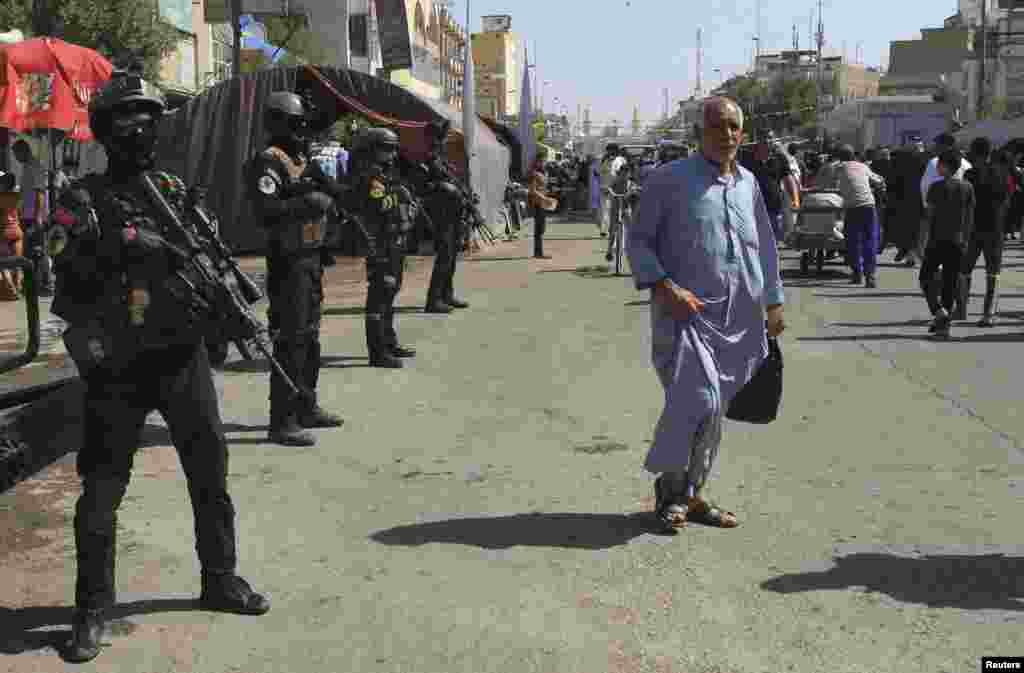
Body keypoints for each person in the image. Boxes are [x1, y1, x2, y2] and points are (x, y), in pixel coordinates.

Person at [51, 73, 270, 664]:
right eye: (128, 118)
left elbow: (207, 262)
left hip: (180, 356)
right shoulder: (83, 197)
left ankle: (219, 577)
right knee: (101, 491)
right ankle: (92, 608)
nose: (142, 127)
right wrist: (126, 240)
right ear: (105, 130)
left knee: (210, 472)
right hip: (117, 367)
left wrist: (226, 315)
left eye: (149, 116)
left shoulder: (175, 189)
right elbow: (64, 275)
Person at [627, 96, 785, 533]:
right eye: (718, 126)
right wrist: (665, 286)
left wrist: (773, 301)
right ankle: (670, 487)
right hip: (685, 316)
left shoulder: (748, 183)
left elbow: (765, 247)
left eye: (734, 126)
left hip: (739, 320)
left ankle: (691, 493)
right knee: (698, 400)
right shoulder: (668, 180)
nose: (728, 134)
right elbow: (638, 240)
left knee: (714, 412)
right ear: (700, 133)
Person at [246, 90, 345, 446]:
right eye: (296, 124)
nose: (302, 130)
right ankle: (282, 419)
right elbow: (265, 212)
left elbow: (334, 190)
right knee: (289, 339)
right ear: (279, 124)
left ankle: (306, 405)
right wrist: (307, 202)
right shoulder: (268, 162)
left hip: (312, 256)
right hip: (288, 261)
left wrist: (339, 194)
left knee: (310, 336)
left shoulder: (304, 159)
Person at [352, 127, 418, 368]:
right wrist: (398, 196)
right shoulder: (371, 175)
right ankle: (377, 351)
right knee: (380, 295)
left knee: (391, 293)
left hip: (394, 242)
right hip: (379, 243)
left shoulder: (386, 173)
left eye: (393, 149)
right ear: (373, 149)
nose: (392, 154)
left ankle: (388, 341)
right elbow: (375, 206)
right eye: (386, 148)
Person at [417, 119, 471, 314]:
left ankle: (446, 294)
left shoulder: (439, 157)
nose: (442, 140)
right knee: (444, 257)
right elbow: (426, 187)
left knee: (451, 256)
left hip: (452, 212)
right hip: (441, 215)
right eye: (440, 136)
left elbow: (451, 178)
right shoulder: (428, 158)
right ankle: (433, 300)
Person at [920, 148, 974, 339]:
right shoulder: (968, 187)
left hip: (936, 241)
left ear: (943, 166)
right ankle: (944, 326)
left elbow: (929, 216)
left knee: (925, 277)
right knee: (949, 282)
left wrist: (922, 241)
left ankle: (938, 311)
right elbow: (969, 218)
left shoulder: (935, 188)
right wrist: (966, 240)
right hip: (958, 241)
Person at [957, 137, 1009, 325]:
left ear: (974, 153)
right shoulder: (1003, 173)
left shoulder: (970, 174)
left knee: (965, 269)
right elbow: (1007, 198)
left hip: (973, 228)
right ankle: (988, 314)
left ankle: (961, 309)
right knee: (993, 272)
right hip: (995, 228)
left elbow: (965, 201)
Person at [915, 133, 970, 265]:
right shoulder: (966, 164)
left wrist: (926, 205)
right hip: (960, 210)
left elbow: (925, 185)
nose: (935, 147)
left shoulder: (934, 162)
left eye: (937, 144)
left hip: (937, 208)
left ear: (945, 145)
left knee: (935, 240)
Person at [834, 144, 886, 287]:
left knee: (852, 241)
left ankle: (857, 272)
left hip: (852, 208)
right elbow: (879, 181)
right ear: (854, 156)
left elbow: (829, 182)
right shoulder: (863, 166)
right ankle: (870, 275)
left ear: (840, 158)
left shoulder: (838, 168)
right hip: (868, 206)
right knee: (869, 240)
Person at [528, 150, 558, 259]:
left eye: (544, 161)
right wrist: (545, 198)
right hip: (537, 203)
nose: (543, 163)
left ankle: (538, 252)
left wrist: (550, 192)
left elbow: (543, 188)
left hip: (543, 203)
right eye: (541, 161)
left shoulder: (543, 173)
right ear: (537, 161)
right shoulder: (534, 173)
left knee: (541, 228)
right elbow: (532, 190)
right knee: (539, 229)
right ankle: (538, 252)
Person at [598, 144, 627, 237]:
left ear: (616, 150)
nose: (609, 152)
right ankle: (604, 230)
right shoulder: (604, 160)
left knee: (617, 211)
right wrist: (604, 186)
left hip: (617, 189)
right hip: (605, 189)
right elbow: (601, 174)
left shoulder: (621, 160)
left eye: (611, 150)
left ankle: (616, 229)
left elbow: (623, 174)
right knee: (605, 210)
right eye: (608, 150)